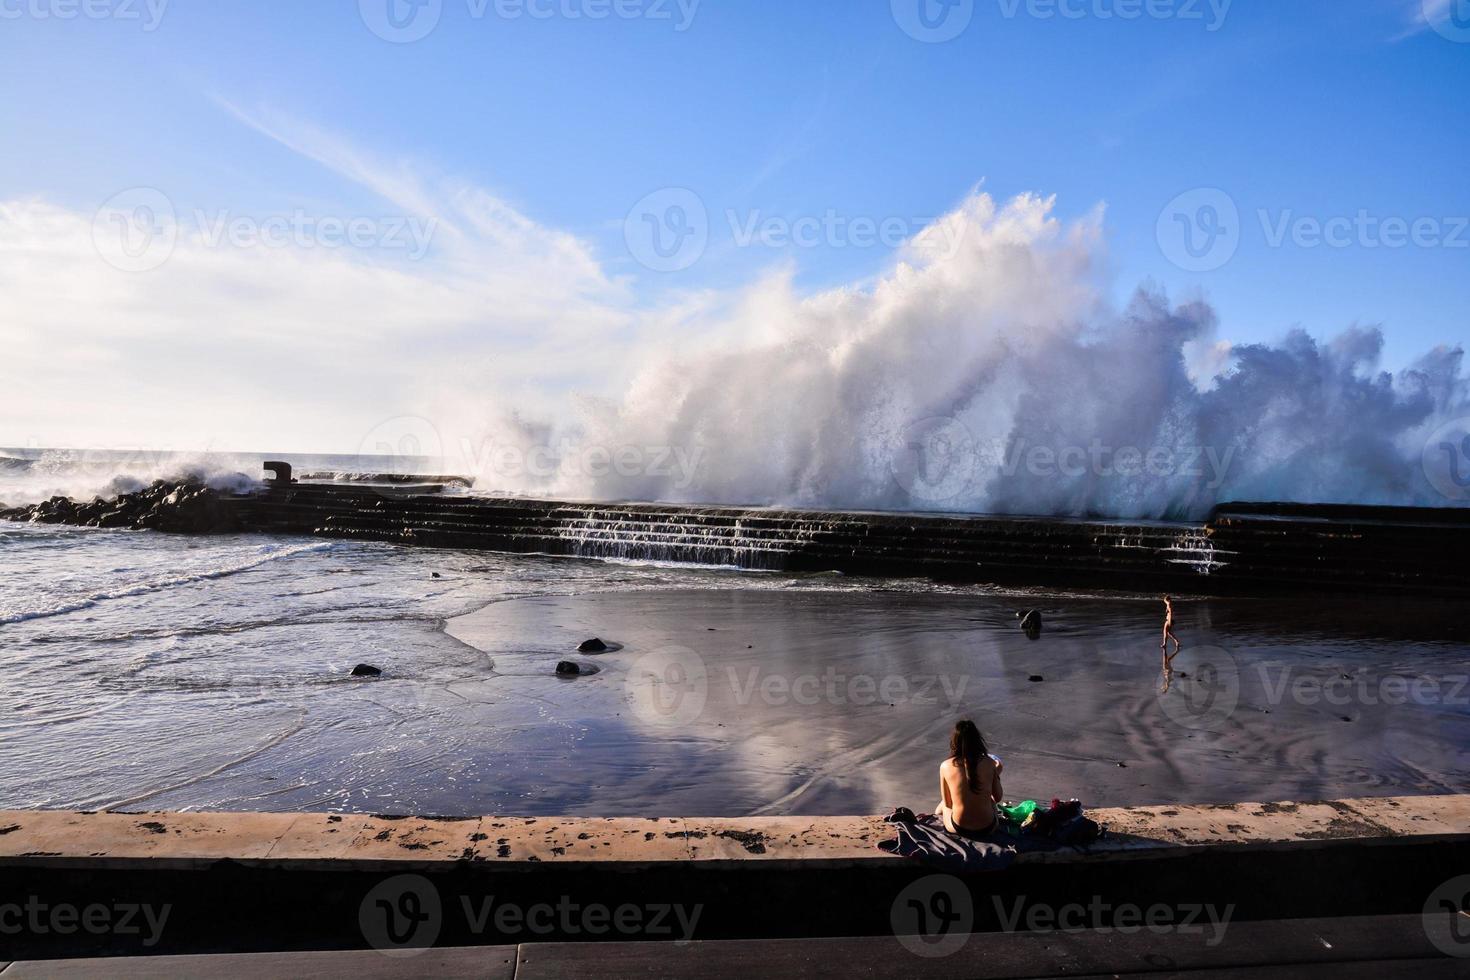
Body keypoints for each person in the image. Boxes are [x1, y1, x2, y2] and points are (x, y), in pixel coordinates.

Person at [935, 719, 1003, 839]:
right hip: (988, 827)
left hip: (959, 828)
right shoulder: (989, 763)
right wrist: (995, 773)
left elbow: (948, 803)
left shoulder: (945, 765)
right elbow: (997, 797)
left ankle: (936, 816)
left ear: (955, 742)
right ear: (978, 740)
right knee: (989, 799)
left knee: (942, 806)